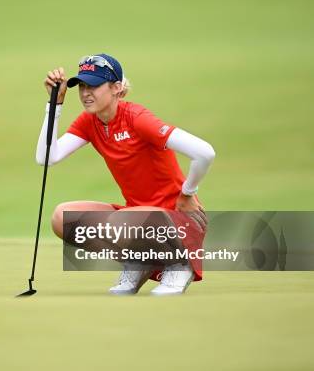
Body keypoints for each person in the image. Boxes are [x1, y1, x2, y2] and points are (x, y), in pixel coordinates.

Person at [36, 54, 215, 295]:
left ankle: (179, 264)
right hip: (138, 220)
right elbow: (46, 158)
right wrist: (54, 104)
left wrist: (188, 193)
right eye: (83, 86)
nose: (86, 93)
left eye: (95, 85)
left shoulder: (137, 119)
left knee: (121, 223)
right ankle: (141, 259)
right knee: (63, 218)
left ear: (117, 88)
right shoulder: (90, 122)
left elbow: (204, 153)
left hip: (177, 221)